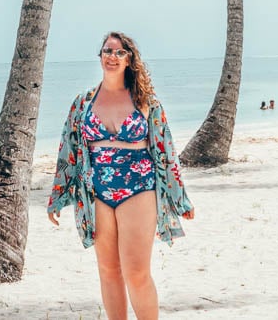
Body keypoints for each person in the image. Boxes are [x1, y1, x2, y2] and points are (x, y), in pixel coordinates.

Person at [47, 31, 194, 320]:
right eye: (107, 51)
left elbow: (166, 149)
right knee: (108, 270)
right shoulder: (83, 103)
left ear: (129, 59)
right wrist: (56, 197)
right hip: (96, 192)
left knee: (136, 272)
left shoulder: (146, 102)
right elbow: (69, 151)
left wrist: (180, 198)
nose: (112, 57)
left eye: (119, 52)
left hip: (139, 189)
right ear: (99, 56)